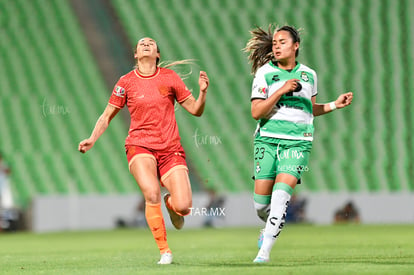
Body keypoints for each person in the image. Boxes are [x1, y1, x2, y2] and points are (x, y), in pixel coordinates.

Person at [78, 37, 209, 264]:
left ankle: (171, 205)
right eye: (141, 43)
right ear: (136, 54)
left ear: (158, 54)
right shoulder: (126, 82)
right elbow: (107, 114)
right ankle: (165, 251)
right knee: (151, 192)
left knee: (184, 207)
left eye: (151, 43)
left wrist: (203, 93)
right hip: (139, 145)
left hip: (170, 148)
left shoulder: (170, 78)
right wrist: (92, 138)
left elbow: (196, 110)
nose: (146, 44)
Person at [243, 25, 353, 263]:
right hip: (268, 140)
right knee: (262, 206)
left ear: (296, 46)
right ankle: (268, 227)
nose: (277, 46)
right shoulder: (264, 73)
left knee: (282, 195)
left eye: (282, 41)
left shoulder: (309, 75)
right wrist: (281, 90)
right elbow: (256, 112)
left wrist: (334, 104)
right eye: (274, 43)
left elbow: (309, 109)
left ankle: (264, 253)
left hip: (298, 143)